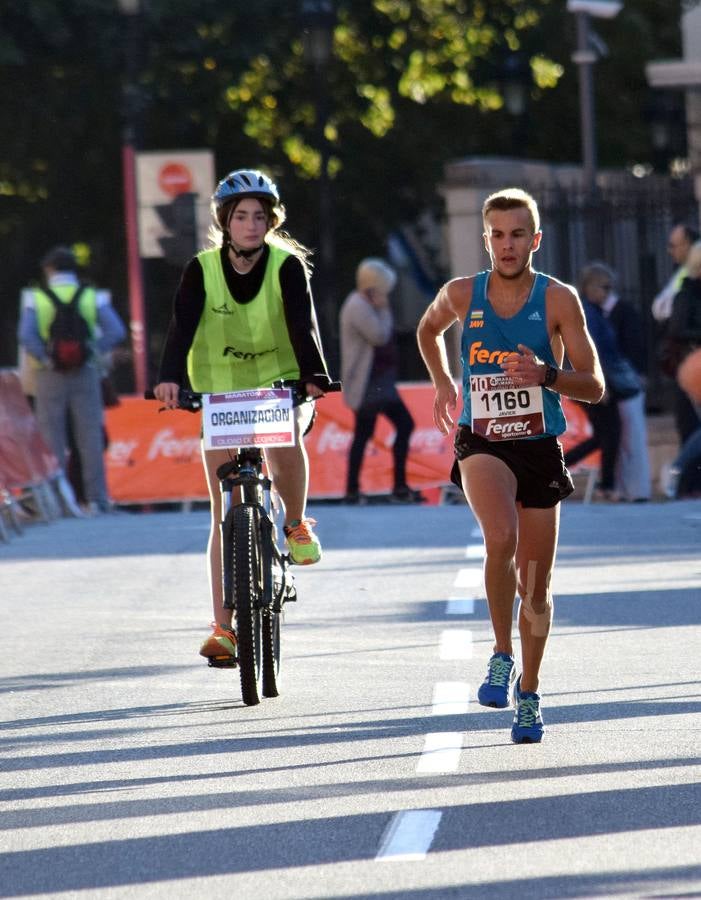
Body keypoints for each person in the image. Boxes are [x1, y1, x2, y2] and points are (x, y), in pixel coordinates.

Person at [417, 187, 604, 744]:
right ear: (485, 239)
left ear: (535, 240)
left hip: (540, 444)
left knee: (538, 588)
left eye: (517, 234)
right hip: (483, 441)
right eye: (497, 234)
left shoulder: (558, 300)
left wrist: (546, 375)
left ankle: (531, 690)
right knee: (501, 535)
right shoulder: (459, 294)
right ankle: (501, 653)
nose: (506, 244)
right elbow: (427, 330)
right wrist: (445, 381)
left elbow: (593, 385)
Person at [153, 168, 332, 664]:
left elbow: (303, 326)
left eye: (260, 216)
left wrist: (314, 377)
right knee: (221, 509)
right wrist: (170, 380)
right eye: (241, 217)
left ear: (272, 222)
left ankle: (295, 523)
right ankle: (224, 628)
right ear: (225, 222)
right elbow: (180, 329)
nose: (251, 225)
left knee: (285, 437)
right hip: (221, 394)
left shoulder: (287, 266)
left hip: (281, 384)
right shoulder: (200, 269)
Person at [17, 245, 127, 515]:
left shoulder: (37, 298)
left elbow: (26, 335)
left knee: (51, 438)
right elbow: (116, 331)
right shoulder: (91, 296)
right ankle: (97, 500)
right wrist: (92, 352)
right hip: (85, 372)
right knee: (89, 437)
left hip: (49, 375)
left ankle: (57, 501)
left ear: (48, 269)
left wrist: (46, 358)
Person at [339, 257, 422, 504]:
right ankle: (378, 488)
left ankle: (360, 489)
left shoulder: (365, 304)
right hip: (369, 385)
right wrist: (384, 308)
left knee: (367, 433)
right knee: (399, 426)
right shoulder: (358, 305)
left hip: (379, 382)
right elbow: (379, 335)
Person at [565, 262, 643, 502]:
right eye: (604, 287)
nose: (608, 293)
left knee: (605, 436)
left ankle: (557, 471)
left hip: (592, 382)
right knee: (610, 433)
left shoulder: (596, 312)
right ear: (590, 286)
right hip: (593, 383)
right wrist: (603, 385)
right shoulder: (588, 313)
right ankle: (606, 486)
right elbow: (593, 351)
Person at [600, 265, 652, 501]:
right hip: (621, 385)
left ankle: (638, 490)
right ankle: (626, 489)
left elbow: (634, 346)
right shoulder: (603, 313)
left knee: (633, 437)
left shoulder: (623, 312)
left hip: (628, 385)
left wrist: (639, 374)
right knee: (623, 438)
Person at [653, 223, 700, 445]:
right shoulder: (683, 278)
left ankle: (683, 474)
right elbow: (660, 308)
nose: (670, 251)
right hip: (688, 363)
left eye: (674, 245)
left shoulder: (686, 280)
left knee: (691, 428)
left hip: (689, 362)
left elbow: (662, 309)